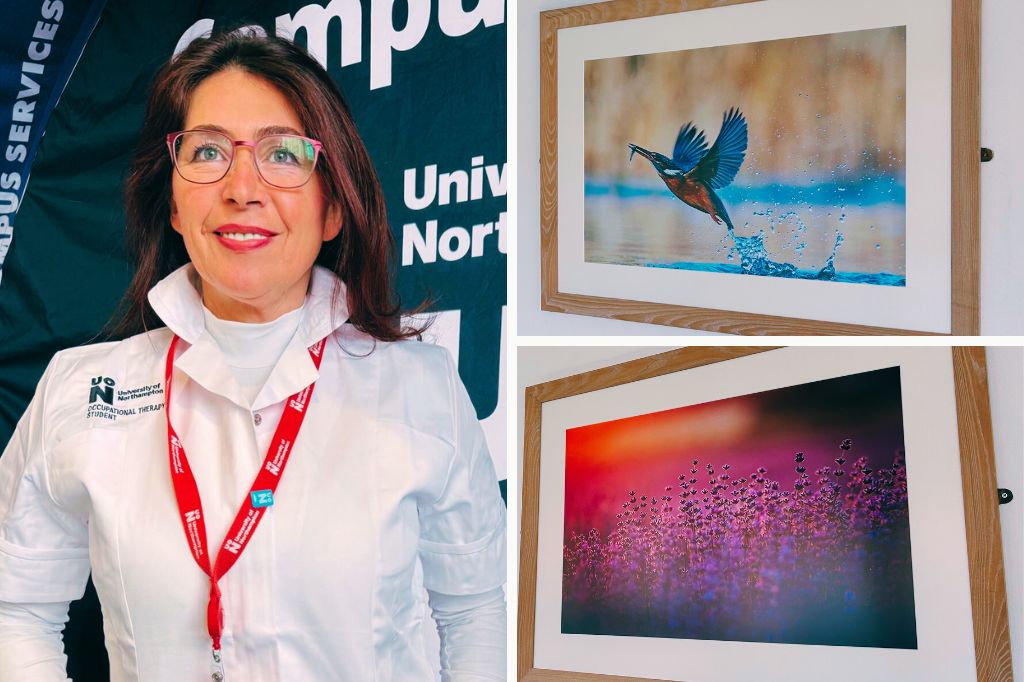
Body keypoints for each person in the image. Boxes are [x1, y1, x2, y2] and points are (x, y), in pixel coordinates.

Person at [0, 29, 506, 681]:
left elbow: (471, 615)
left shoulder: (418, 385)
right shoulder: (83, 392)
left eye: (284, 154)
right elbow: (15, 606)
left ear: (332, 208)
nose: (243, 187)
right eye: (208, 151)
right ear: (175, 204)